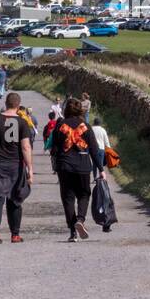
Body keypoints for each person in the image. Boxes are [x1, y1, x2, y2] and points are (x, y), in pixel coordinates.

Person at [0, 92, 35, 243]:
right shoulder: (23, 123)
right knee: (15, 199)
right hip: (15, 166)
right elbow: (25, 147)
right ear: (18, 105)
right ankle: (15, 234)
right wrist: (30, 169)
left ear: (6, 102)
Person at [49, 97, 101, 241]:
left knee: (68, 198)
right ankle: (80, 220)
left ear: (65, 110)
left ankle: (72, 232)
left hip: (65, 166)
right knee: (84, 194)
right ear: (80, 110)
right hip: (83, 165)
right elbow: (94, 150)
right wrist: (101, 169)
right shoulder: (85, 126)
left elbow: (54, 149)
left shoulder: (60, 125)